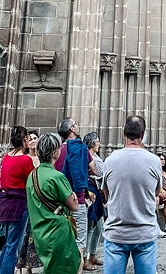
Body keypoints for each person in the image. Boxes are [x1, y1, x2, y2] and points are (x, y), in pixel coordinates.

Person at [102, 115, 162, 274]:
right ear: (143, 135)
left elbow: (106, 193)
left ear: (124, 132)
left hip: (116, 232)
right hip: (144, 232)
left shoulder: (110, 160)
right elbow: (156, 192)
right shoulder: (154, 160)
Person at [25, 132, 81, 274]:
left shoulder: (33, 175)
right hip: (58, 232)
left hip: (40, 232)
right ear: (55, 152)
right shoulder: (57, 176)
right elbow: (74, 205)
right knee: (67, 267)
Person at [56, 117, 96, 274]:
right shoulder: (82, 149)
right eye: (76, 124)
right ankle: (78, 271)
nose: (78, 126)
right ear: (71, 129)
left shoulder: (57, 149)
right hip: (77, 198)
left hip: (60, 200)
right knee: (80, 239)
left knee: (64, 238)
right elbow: (94, 170)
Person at [0, 126, 35, 274]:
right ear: (24, 139)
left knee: (5, 245)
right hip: (19, 206)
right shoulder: (25, 160)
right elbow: (32, 182)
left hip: (4, 204)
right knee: (12, 246)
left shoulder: (6, 157)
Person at [16, 130, 42, 274]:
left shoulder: (42, 159)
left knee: (32, 234)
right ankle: (18, 266)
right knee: (23, 232)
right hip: (25, 199)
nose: (32, 140)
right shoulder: (24, 158)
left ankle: (29, 266)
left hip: (37, 201)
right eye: (29, 138)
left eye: (34, 138)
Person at [83, 132, 105, 271]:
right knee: (90, 227)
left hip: (97, 191)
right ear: (91, 143)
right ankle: (84, 259)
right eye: (97, 141)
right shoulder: (86, 156)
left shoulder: (95, 156)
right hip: (91, 191)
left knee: (99, 225)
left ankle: (92, 254)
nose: (99, 144)